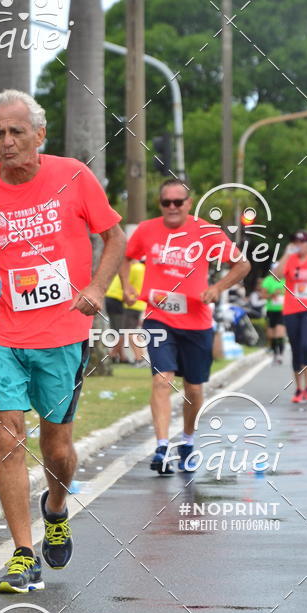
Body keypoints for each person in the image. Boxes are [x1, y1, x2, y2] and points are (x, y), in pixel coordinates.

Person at [0, 89, 124, 593]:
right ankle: (22, 553)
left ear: (40, 134)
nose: (7, 141)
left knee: (57, 446)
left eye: (17, 131)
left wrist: (96, 286)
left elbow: (115, 237)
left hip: (62, 332)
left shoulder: (74, 178)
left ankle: (56, 508)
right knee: (8, 435)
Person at [121, 178, 250, 475]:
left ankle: (188, 440)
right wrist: (128, 286)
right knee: (161, 380)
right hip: (159, 317)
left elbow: (242, 265)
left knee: (193, 387)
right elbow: (125, 257)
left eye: (178, 202)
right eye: (166, 202)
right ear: (160, 205)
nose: (172, 207)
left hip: (197, 321)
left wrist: (217, 288)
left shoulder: (205, 231)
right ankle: (163, 447)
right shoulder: (146, 230)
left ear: (188, 204)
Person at [274, 230, 307, 403]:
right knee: (295, 348)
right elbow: (277, 275)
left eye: (302, 242)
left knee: (306, 345)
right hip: (291, 310)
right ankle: (298, 389)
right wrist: (286, 253)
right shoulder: (290, 260)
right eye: (296, 242)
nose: (299, 245)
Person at [261, 266, 286, 363]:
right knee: (271, 335)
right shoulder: (268, 281)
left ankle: (280, 354)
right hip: (271, 310)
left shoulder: (286, 280)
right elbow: (262, 295)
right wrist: (273, 295)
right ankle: (275, 354)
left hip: (282, 311)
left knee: (279, 333)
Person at [104, 275, 127, 362]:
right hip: (118, 300)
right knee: (122, 331)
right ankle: (112, 355)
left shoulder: (121, 270)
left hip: (108, 298)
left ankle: (122, 357)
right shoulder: (136, 269)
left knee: (115, 330)